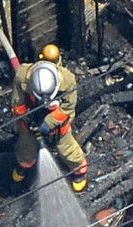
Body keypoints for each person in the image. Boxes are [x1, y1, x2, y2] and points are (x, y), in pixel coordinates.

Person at [10, 54, 89, 192]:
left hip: (57, 118)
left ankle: (80, 171)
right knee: (25, 146)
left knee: (66, 147)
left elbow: (68, 107)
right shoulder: (22, 76)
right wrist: (26, 118)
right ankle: (25, 164)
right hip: (31, 113)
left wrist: (49, 123)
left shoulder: (67, 80)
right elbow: (17, 102)